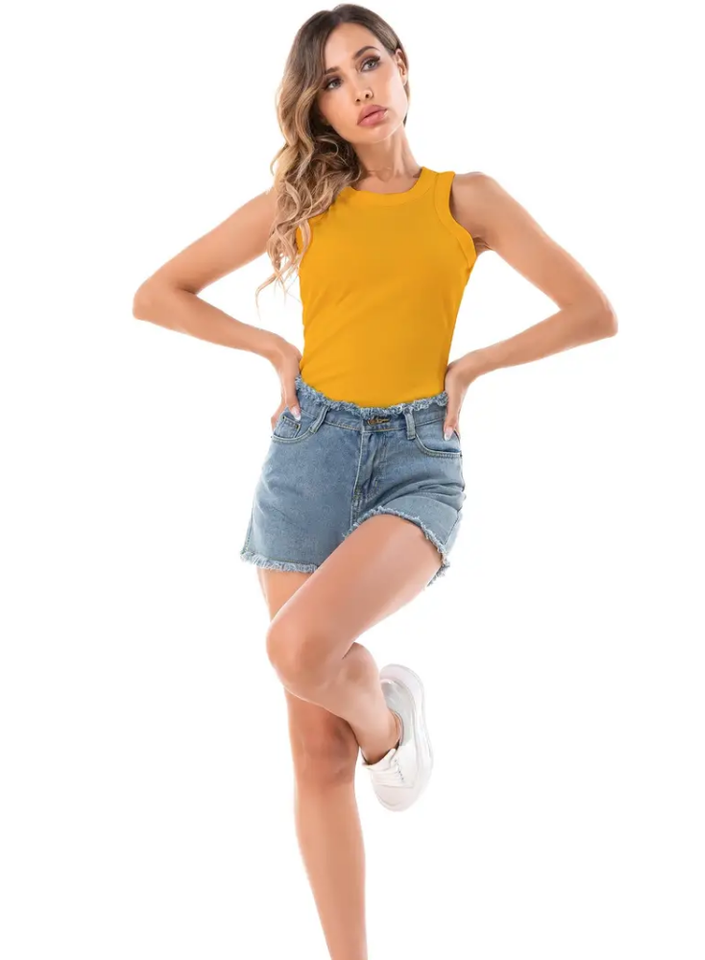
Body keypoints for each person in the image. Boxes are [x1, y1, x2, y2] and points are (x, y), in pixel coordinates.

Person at [133, 5, 617, 958]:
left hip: (415, 461)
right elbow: (158, 294)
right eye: (330, 81)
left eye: (366, 64)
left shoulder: (465, 200)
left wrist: (472, 366)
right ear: (317, 107)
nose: (356, 89)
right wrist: (272, 347)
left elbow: (591, 311)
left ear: (401, 67)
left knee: (298, 647)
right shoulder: (301, 203)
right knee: (317, 751)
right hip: (307, 456)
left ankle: (386, 718)